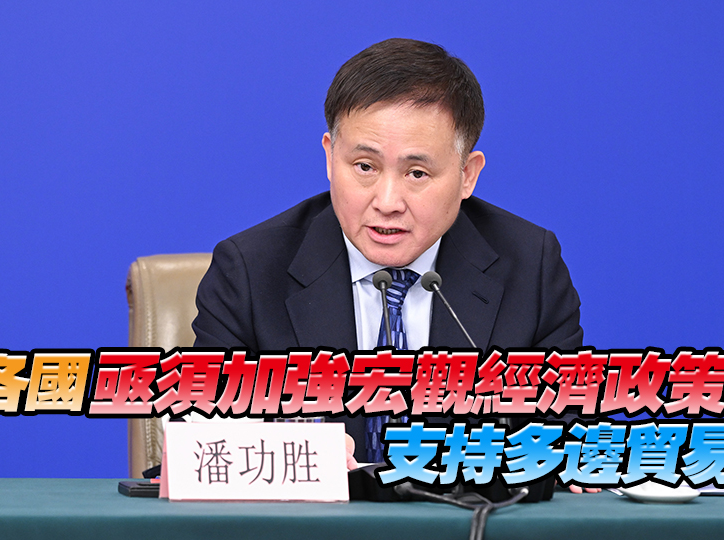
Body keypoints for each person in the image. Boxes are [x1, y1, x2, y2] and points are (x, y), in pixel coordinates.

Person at [192, 39, 592, 491]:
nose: (387, 202)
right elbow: (206, 442)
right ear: (330, 157)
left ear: (467, 175)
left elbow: (565, 442)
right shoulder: (249, 272)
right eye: (364, 166)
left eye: (417, 173)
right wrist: (292, 456)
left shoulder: (530, 267)